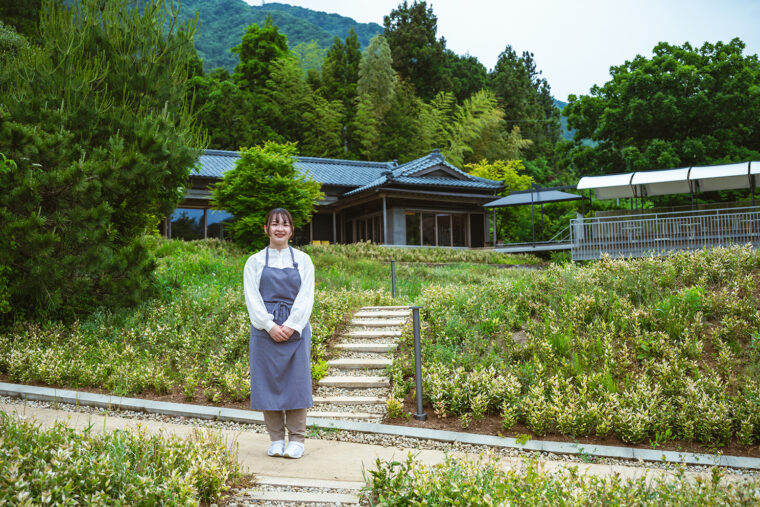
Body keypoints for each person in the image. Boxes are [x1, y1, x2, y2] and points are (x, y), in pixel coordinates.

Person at [243, 208, 315, 459]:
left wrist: (293, 324)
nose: (280, 228)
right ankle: (275, 439)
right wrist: (269, 325)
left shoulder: (304, 261)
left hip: (296, 329)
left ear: (292, 230)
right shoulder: (254, 262)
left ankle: (297, 439)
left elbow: (306, 296)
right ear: (266, 229)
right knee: (268, 382)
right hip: (264, 330)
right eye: (274, 224)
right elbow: (252, 298)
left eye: (285, 224)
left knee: (297, 383)